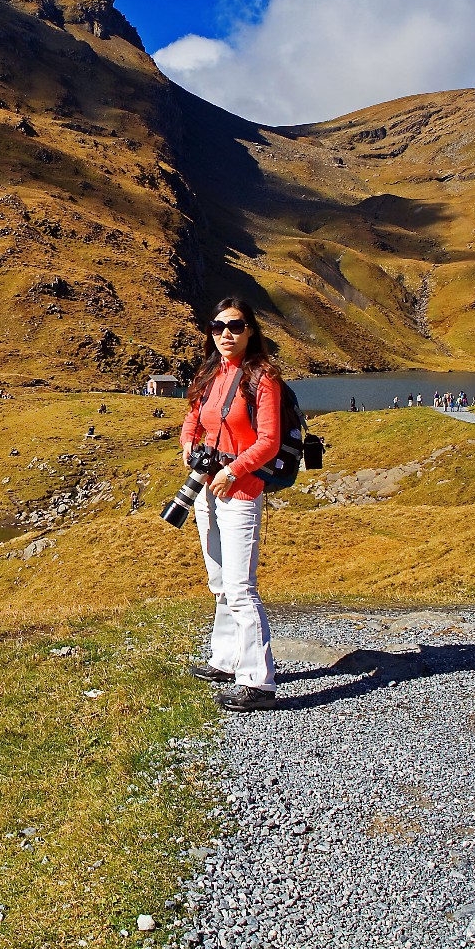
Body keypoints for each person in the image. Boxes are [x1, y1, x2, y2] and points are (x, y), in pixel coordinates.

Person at [178, 296, 284, 712]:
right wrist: (190, 448)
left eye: (236, 326)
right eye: (218, 326)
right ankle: (226, 660)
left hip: (240, 491)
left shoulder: (263, 378)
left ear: (251, 331)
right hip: (206, 487)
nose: (226, 334)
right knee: (219, 583)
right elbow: (192, 422)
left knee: (241, 588)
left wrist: (232, 472)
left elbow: (269, 441)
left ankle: (258, 681)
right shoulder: (209, 372)